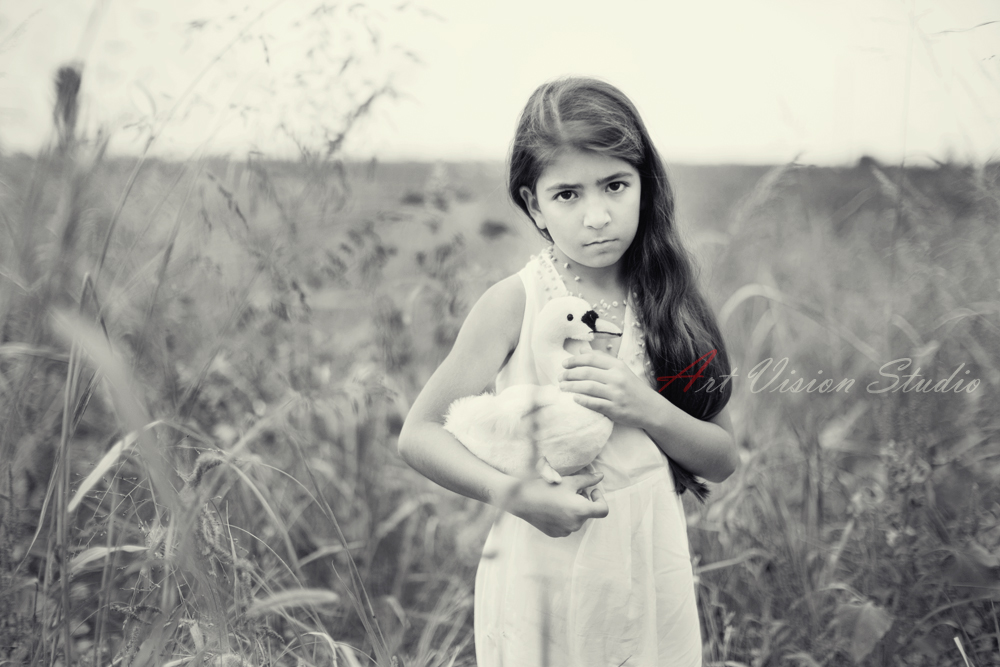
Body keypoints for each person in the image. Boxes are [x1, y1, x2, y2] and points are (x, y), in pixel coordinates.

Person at [397, 76, 739, 667]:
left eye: (614, 185)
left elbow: (721, 457)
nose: (598, 216)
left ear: (645, 184)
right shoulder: (515, 303)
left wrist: (647, 408)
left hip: (648, 566)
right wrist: (517, 495)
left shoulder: (670, 300)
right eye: (567, 195)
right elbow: (419, 435)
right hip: (543, 567)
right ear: (534, 204)